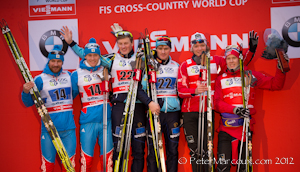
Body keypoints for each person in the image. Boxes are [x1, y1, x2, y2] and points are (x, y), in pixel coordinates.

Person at [60, 24, 160, 172]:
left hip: (138, 104)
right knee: (119, 149)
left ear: (132, 43)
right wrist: (71, 44)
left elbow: (154, 62)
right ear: (117, 44)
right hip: (119, 106)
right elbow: (89, 55)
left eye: (126, 43)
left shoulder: (140, 59)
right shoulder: (112, 59)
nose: (123, 46)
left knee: (138, 149)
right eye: (120, 43)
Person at [177, 31, 257, 172]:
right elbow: (180, 90)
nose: (199, 48)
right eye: (196, 46)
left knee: (207, 149)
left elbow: (237, 62)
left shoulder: (216, 60)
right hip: (190, 113)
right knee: (195, 150)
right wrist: (194, 91)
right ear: (191, 48)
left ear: (207, 46)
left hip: (208, 111)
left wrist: (251, 51)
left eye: (202, 45)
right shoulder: (185, 65)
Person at [214, 44, 287, 172]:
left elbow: (275, 84)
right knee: (223, 167)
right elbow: (216, 103)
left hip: (245, 127)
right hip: (226, 129)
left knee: (244, 168)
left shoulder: (251, 76)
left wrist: (281, 67)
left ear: (240, 59)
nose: (231, 61)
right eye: (228, 58)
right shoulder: (221, 79)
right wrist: (235, 110)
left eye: (234, 58)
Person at [21, 45, 76, 172]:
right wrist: (25, 91)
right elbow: (29, 103)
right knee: (48, 165)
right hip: (49, 129)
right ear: (49, 61)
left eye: (59, 61)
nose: (56, 64)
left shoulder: (69, 75)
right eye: (53, 61)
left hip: (69, 130)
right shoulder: (40, 79)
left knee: (69, 167)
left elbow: (74, 94)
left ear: (62, 62)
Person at [71, 38, 113, 172]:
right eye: (89, 55)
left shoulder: (106, 68)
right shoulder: (76, 74)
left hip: (107, 119)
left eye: (95, 55)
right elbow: (70, 97)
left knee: (107, 159)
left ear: (99, 55)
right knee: (86, 159)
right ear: (85, 55)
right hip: (87, 121)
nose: (93, 58)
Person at [146, 36, 181, 172]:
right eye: (160, 48)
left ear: (170, 49)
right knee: (154, 151)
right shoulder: (150, 66)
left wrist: (181, 114)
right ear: (156, 49)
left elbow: (181, 91)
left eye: (166, 48)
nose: (163, 51)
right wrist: (149, 103)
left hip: (173, 114)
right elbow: (142, 89)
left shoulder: (177, 66)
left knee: (172, 150)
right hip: (155, 113)